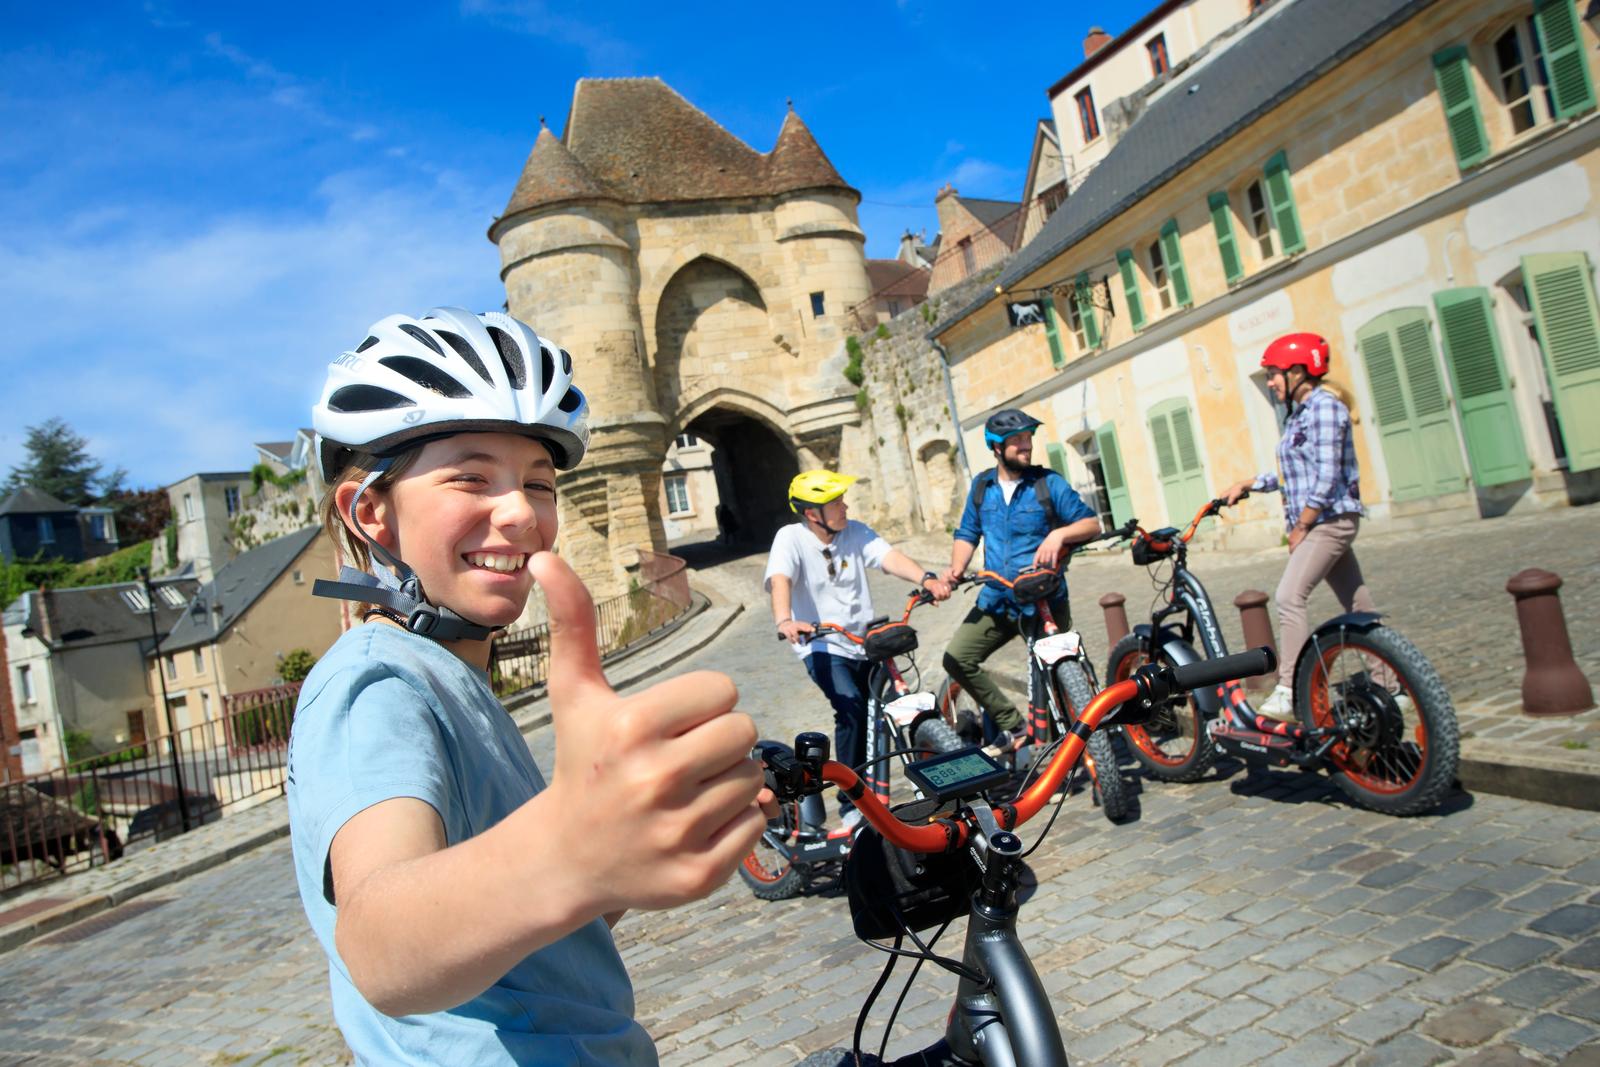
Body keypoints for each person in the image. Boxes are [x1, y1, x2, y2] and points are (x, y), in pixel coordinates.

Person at [287, 306, 771, 1064]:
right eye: (470, 476)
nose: (521, 513)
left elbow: (530, 935)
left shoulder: (453, 676)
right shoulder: (374, 684)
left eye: (538, 482)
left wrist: (628, 847)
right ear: (370, 512)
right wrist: (569, 847)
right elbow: (379, 941)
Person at [765, 470, 950, 827]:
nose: (844, 506)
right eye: (835, 502)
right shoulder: (790, 538)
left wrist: (925, 578)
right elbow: (780, 579)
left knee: (891, 703)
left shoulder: (856, 531)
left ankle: (932, 773)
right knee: (850, 707)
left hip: (864, 641)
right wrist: (784, 620)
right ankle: (850, 803)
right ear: (812, 513)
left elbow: (889, 557)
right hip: (821, 643)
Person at [1220, 331, 1380, 720]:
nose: (1271, 381)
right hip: (1325, 519)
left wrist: (1302, 526)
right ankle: (1391, 683)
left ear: (1299, 371)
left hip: (1329, 520)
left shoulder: (1325, 408)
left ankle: (1291, 689)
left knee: (1289, 597)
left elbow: (1326, 477)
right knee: (1358, 603)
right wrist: (1250, 483)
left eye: (1274, 373)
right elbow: (1296, 473)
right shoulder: (1302, 413)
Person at [940, 410, 1101, 756]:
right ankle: (1012, 725)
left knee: (1058, 675)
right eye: (1017, 440)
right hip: (997, 598)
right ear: (996, 447)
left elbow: (1091, 525)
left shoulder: (1048, 484)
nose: (1026, 446)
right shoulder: (983, 487)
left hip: (1044, 595)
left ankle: (1076, 751)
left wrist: (1060, 534)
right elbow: (968, 532)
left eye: (1028, 438)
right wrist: (956, 569)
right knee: (957, 657)